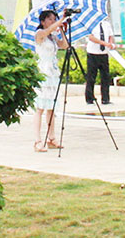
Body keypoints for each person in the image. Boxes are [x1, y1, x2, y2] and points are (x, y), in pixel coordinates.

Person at [33, 10, 69, 152]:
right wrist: (60, 21)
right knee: (40, 107)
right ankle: (37, 140)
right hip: (43, 72)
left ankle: (51, 138)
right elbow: (46, 31)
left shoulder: (52, 36)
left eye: (54, 19)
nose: (52, 21)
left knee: (51, 107)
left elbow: (64, 45)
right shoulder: (40, 34)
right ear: (43, 21)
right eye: (50, 19)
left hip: (53, 73)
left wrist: (62, 30)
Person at [85, 19, 116, 105]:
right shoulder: (91, 24)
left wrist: (110, 44)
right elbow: (91, 37)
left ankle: (105, 99)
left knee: (105, 77)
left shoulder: (107, 24)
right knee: (91, 77)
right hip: (93, 53)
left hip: (104, 53)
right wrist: (103, 43)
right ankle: (89, 98)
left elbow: (110, 36)